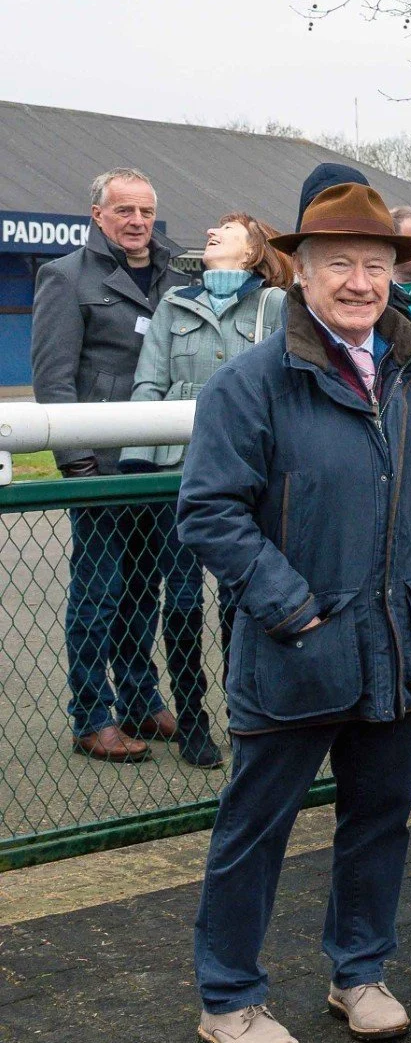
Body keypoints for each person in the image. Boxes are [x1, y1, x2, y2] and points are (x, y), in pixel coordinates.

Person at [176, 178, 411, 1043]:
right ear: (301, 271)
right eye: (340, 265)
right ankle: (230, 997)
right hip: (297, 647)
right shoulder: (251, 382)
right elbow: (212, 512)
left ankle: (359, 970)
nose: (361, 282)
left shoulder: (410, 374)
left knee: (380, 817)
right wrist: (293, 608)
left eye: (376, 265)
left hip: (393, 645)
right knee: (257, 827)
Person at [30, 167, 195, 764]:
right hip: (99, 467)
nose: (137, 223)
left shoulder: (176, 277)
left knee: (143, 592)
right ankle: (91, 715)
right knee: (98, 592)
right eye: (124, 211)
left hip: (156, 465)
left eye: (146, 212)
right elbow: (53, 381)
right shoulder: (65, 278)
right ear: (97, 215)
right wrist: (77, 467)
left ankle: (139, 702)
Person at [119, 213, 294, 769]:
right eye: (212, 225)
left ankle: (247, 714)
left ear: (252, 251)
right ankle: (193, 718)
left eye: (229, 227)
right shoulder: (174, 304)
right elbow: (150, 382)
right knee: (183, 600)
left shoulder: (275, 306)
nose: (213, 231)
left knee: (240, 596)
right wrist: (136, 462)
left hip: (248, 467)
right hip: (178, 469)